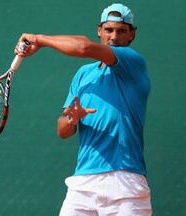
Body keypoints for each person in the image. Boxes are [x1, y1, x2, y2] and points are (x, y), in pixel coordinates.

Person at [15, 3, 152, 215]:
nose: (114, 36)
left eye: (121, 31)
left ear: (131, 35)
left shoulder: (133, 61)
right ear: (99, 30)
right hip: (83, 184)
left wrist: (39, 40)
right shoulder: (83, 74)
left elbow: (84, 48)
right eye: (108, 30)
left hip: (125, 183)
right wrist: (72, 120)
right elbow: (62, 130)